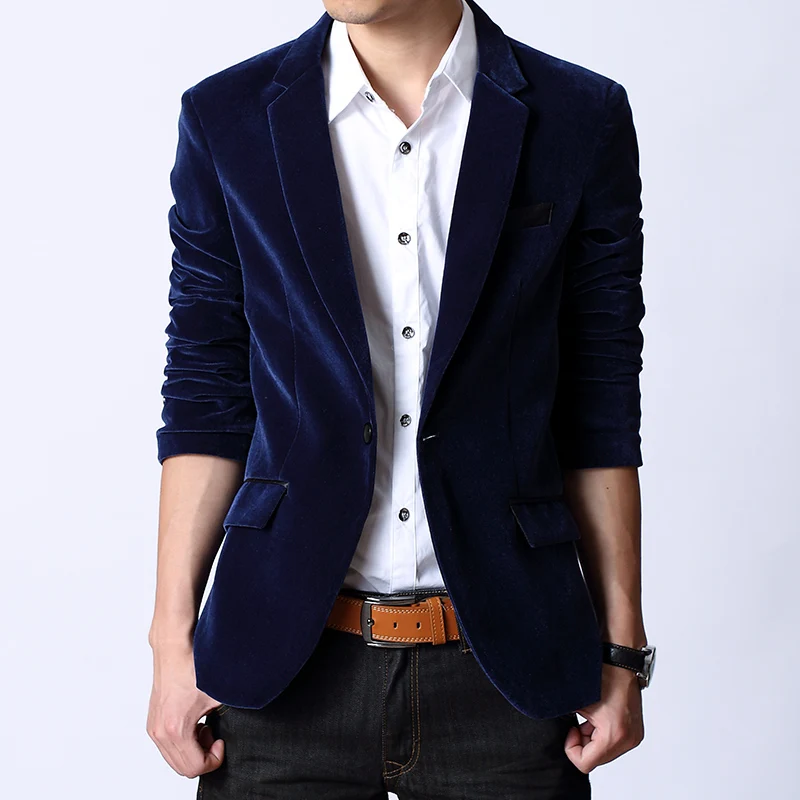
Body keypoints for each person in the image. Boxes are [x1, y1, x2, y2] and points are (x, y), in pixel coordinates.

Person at [146, 0, 656, 796]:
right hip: (284, 668)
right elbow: (207, 393)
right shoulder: (228, 119)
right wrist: (171, 641)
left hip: (504, 669)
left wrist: (623, 649)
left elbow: (598, 403)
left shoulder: (578, 117)